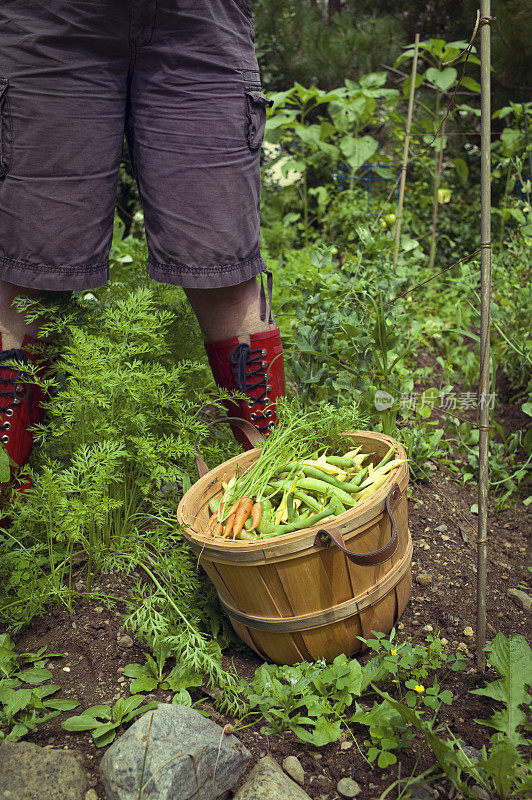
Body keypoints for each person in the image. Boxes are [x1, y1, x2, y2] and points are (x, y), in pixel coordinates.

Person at [0, 0, 285, 474]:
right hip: (49, 21)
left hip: (200, 21)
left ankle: (279, 478)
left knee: (224, 269)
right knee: (29, 270)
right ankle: (6, 493)